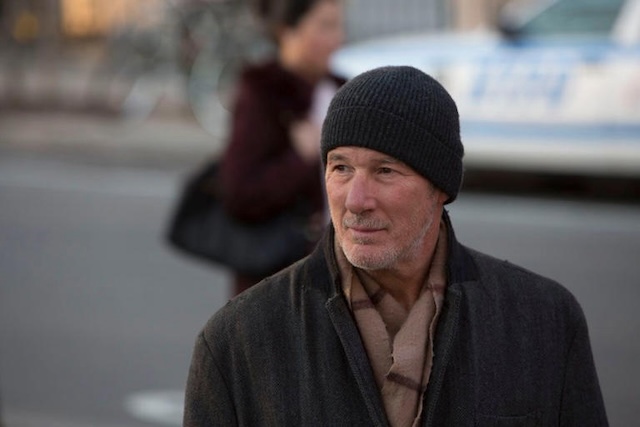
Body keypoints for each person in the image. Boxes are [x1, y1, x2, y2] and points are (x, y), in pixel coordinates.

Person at [183, 66, 608, 426]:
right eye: (341, 168)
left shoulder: (543, 323)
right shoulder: (238, 341)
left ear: (439, 187)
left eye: (385, 171)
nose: (355, 200)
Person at [218, 0, 346, 296]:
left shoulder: (342, 91)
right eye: (325, 26)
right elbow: (240, 193)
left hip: (338, 276)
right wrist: (301, 159)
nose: (338, 39)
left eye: (339, 26)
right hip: (276, 284)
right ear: (287, 31)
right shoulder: (263, 93)